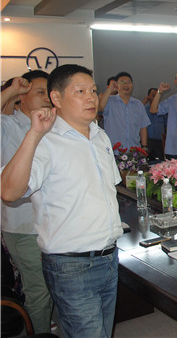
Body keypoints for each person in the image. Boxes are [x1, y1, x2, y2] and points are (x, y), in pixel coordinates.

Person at [1, 64, 123, 337]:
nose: (91, 97)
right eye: (80, 91)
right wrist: (34, 134)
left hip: (108, 257)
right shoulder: (45, 141)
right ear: (56, 98)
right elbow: (8, 191)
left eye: (93, 90)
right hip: (72, 265)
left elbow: (106, 192)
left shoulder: (99, 135)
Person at [1, 70, 54, 333]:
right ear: (22, 97)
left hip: (52, 223)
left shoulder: (52, 126)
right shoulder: (8, 125)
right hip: (23, 227)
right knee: (39, 291)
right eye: (40, 92)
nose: (47, 98)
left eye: (49, 93)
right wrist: (11, 90)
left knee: (54, 287)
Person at [98, 71, 150, 150]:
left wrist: (144, 146)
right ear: (116, 85)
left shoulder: (138, 104)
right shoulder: (109, 101)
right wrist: (110, 89)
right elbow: (100, 108)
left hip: (134, 150)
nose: (126, 85)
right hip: (113, 150)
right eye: (122, 82)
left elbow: (143, 127)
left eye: (129, 82)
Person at [143, 88, 166, 161]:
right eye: (153, 95)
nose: (155, 98)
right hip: (148, 141)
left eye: (157, 96)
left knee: (161, 161)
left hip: (160, 141)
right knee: (146, 161)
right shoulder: (144, 108)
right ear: (148, 96)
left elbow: (166, 125)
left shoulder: (162, 109)